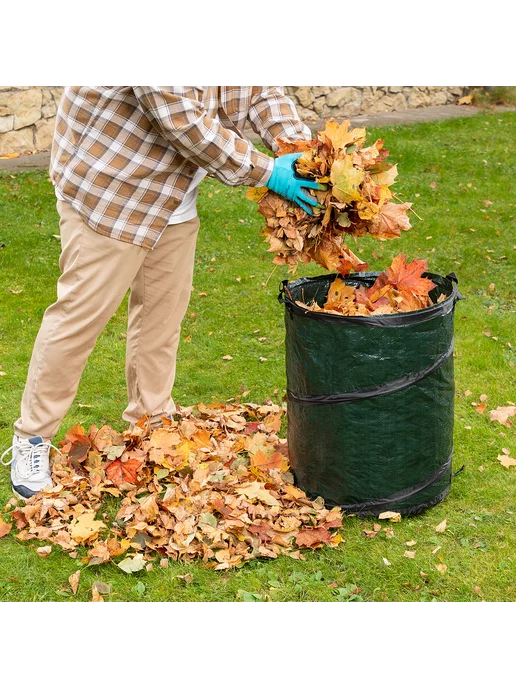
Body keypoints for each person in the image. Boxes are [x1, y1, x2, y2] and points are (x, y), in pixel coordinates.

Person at [1, 85, 319, 500]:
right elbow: (179, 117)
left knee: (162, 319)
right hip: (111, 189)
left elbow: (257, 89)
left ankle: (151, 425)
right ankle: (32, 439)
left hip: (173, 198)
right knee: (79, 320)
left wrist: (298, 149)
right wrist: (266, 171)